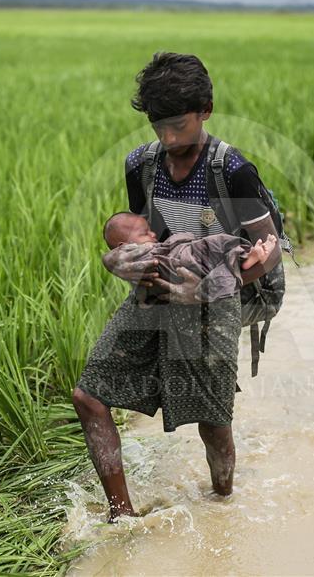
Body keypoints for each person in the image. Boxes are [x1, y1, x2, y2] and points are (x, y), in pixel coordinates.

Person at [71, 52, 283, 522]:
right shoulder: (140, 165)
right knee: (89, 396)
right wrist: (127, 264)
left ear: (206, 109)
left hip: (224, 289)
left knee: (211, 419)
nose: (167, 139)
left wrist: (204, 292)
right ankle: (121, 516)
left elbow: (267, 252)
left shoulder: (233, 170)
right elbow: (144, 234)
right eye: (157, 126)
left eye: (178, 126)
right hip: (164, 284)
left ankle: (223, 502)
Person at [103, 211, 277, 307]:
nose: (153, 234)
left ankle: (245, 256)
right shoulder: (133, 257)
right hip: (179, 264)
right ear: (123, 246)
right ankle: (245, 257)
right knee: (213, 253)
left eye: (149, 230)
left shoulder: (228, 166)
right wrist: (111, 260)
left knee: (214, 247)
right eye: (144, 233)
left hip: (183, 259)